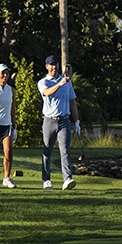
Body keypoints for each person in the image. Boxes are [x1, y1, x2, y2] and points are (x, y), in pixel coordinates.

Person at [38, 54, 81, 190]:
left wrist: (77, 121)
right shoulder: (43, 82)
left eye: (55, 64)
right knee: (47, 150)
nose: (54, 67)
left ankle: (67, 179)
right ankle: (46, 180)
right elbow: (47, 93)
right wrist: (59, 83)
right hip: (49, 120)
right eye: (51, 64)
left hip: (64, 121)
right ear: (47, 66)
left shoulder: (66, 82)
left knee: (65, 151)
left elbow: (72, 102)